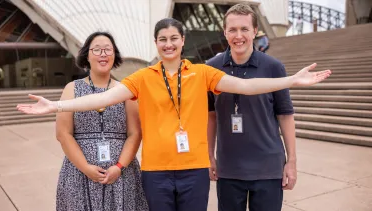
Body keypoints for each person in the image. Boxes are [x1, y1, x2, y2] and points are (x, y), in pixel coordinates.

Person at [17, 18, 331, 211]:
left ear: (182, 42)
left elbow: (246, 86)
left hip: (194, 169)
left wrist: (291, 81)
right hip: (156, 172)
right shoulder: (142, 77)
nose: (169, 44)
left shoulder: (202, 73)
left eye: (174, 38)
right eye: (162, 39)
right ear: (156, 43)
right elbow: (107, 96)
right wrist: (56, 106)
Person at [207, 4, 296, 211]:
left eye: (244, 29)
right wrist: (209, 155)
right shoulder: (211, 67)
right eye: (233, 30)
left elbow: (285, 116)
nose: (239, 36)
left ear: (255, 31)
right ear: (225, 32)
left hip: (268, 169)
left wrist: (291, 161)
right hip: (228, 170)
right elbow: (210, 116)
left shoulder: (274, 67)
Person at [55, 31, 148, 211]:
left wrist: (119, 167)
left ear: (115, 55)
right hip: (79, 175)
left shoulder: (126, 90)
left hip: (122, 175)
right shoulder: (72, 89)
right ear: (87, 56)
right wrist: (86, 167)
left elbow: (135, 133)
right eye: (97, 50)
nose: (103, 54)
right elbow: (63, 134)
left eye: (108, 49)